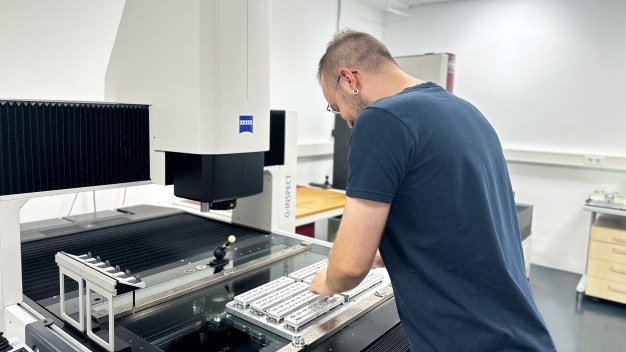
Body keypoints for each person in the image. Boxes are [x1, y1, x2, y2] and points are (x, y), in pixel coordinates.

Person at [308, 29, 556, 352]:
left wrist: (328, 279)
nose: (344, 119)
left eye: (335, 105)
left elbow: (350, 267)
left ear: (348, 80)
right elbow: (456, 226)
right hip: (522, 338)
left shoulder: (379, 119)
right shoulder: (467, 112)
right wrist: (391, 253)